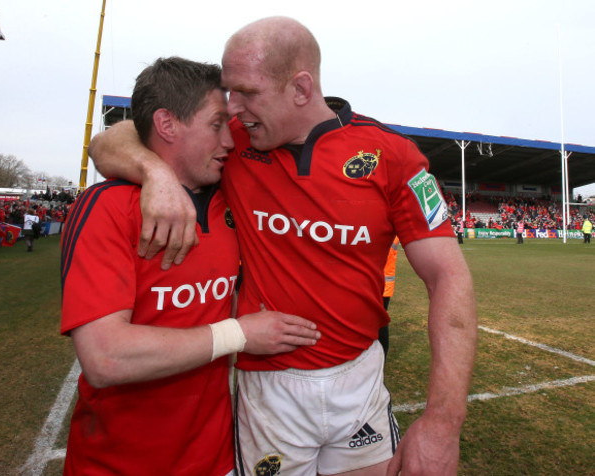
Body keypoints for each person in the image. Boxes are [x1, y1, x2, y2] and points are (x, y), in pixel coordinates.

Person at [89, 17, 477, 476]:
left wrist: (443, 421)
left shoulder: (390, 154)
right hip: (268, 388)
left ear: (300, 88)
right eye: (229, 91)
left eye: (247, 93)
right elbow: (109, 140)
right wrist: (154, 172)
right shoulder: (231, 143)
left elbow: (448, 276)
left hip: (359, 379)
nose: (233, 107)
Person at [60, 56, 320, 476]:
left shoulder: (227, 199)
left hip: (217, 461)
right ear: (166, 125)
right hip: (115, 466)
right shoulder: (106, 207)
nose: (230, 142)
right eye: (216, 125)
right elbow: (106, 357)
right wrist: (239, 334)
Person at [379, 236, 400, 357]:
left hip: (383, 284)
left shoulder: (389, 234)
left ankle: (382, 356)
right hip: (382, 283)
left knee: (380, 323)